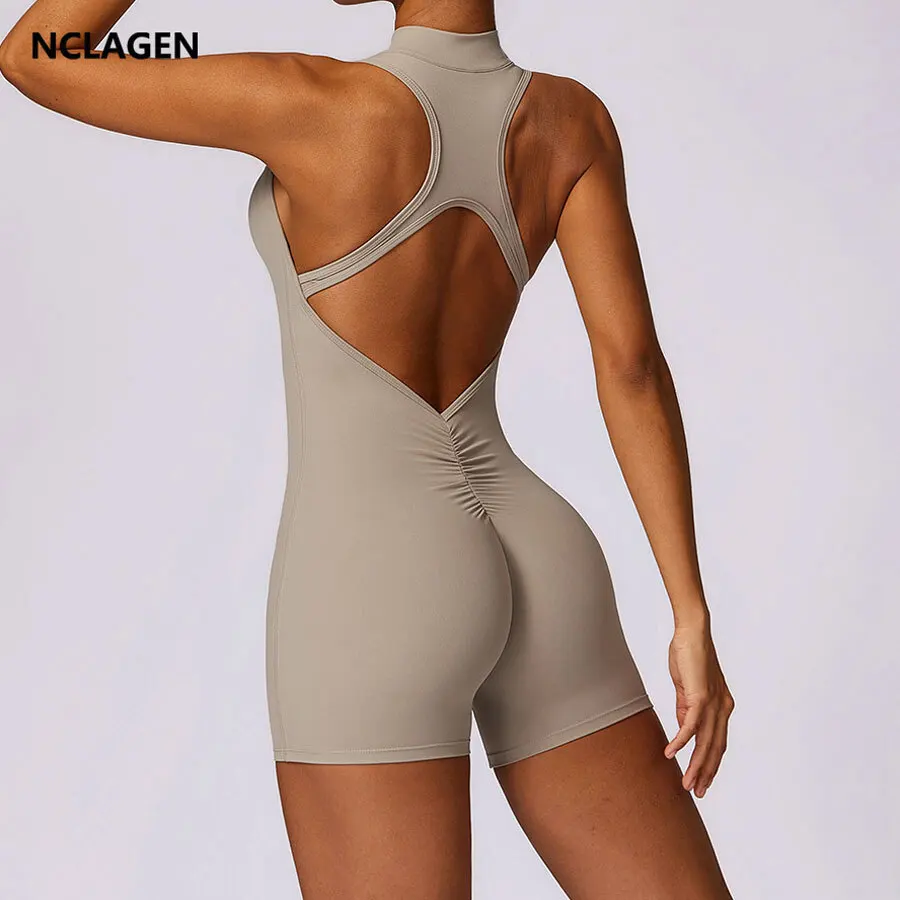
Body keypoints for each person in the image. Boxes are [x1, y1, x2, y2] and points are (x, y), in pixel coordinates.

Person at [1, 1, 736, 897]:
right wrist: (689, 614)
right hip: (545, 555)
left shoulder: (309, 100)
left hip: (372, 574)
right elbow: (631, 367)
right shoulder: (570, 121)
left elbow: (38, 53)